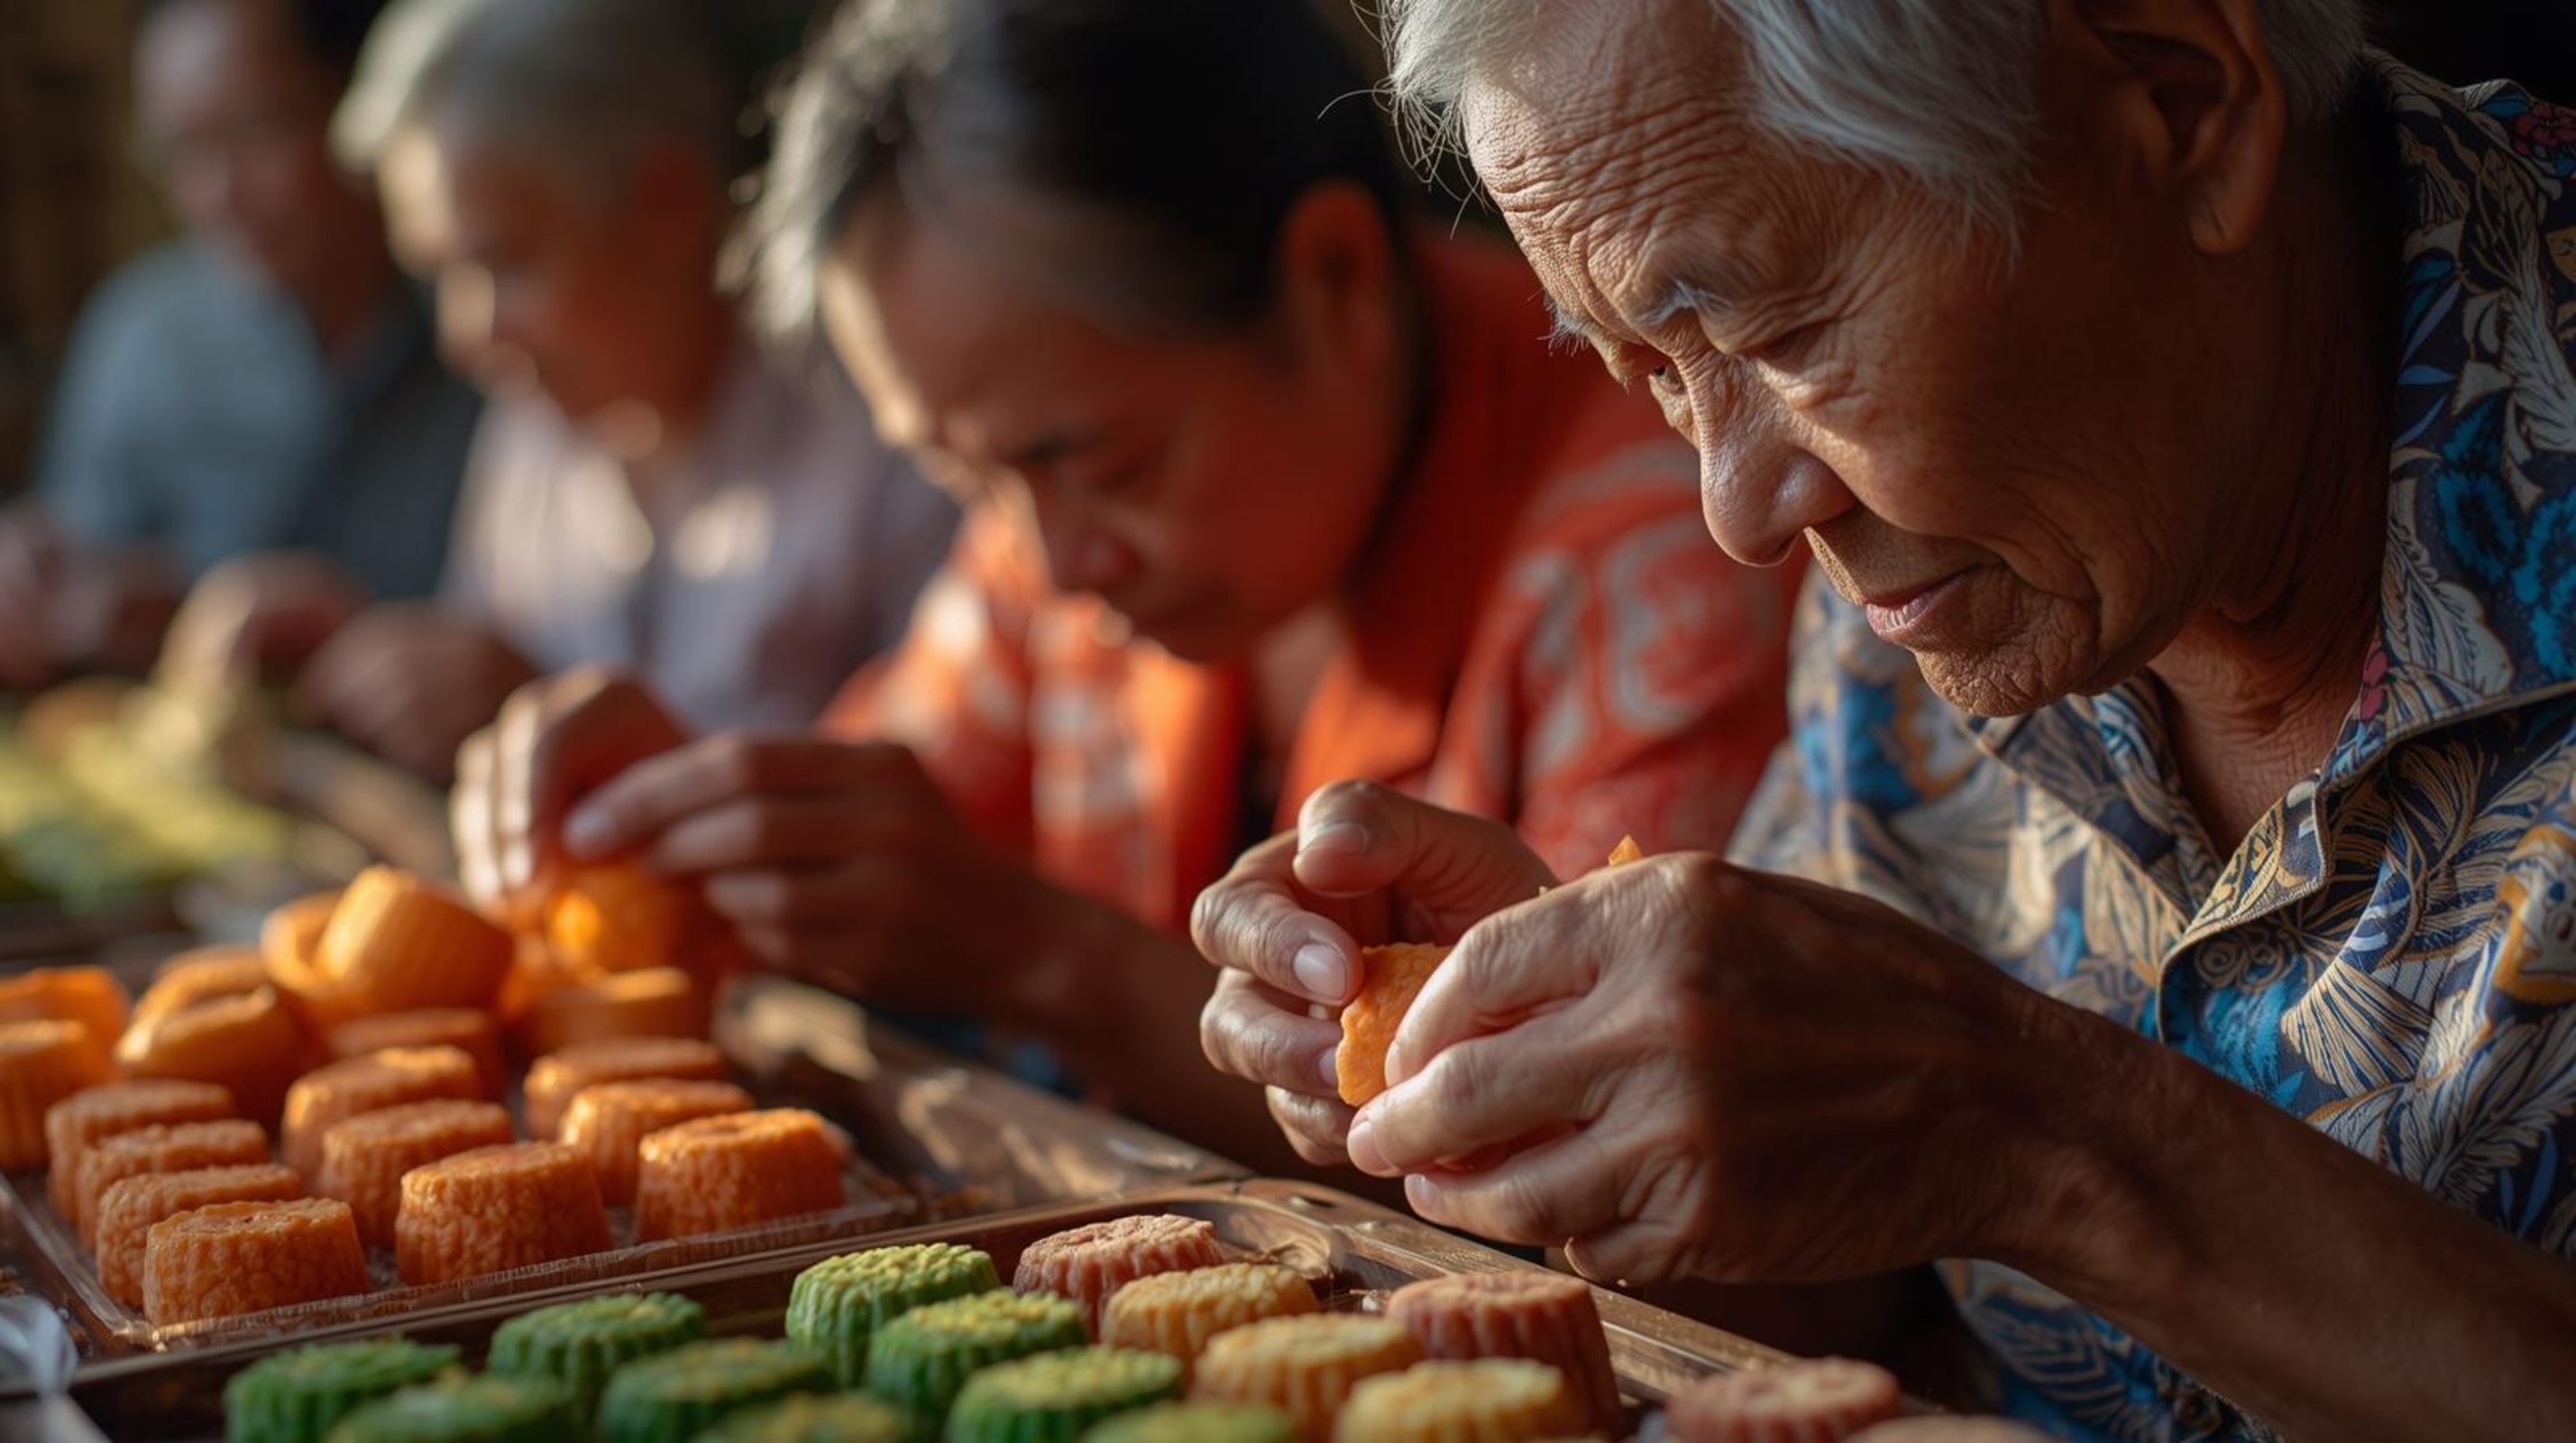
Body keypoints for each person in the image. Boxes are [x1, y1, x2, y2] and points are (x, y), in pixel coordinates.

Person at [1194, 0, 2576, 1437]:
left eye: (1780, 330)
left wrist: (2037, 1132)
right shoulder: (1927, 561)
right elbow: (1870, 1296)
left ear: (2179, 107)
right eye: (1660, 371)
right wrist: (1558, 1079)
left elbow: (1985, 1128)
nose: (1739, 514)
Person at [449, 0, 1801, 1166]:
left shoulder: (1670, 541)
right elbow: (891, 813)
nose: (1047, 565)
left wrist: (1044, 962)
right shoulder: (1058, 505)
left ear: (1334, 281)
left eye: (1107, 464)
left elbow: (1614, 1154)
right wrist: (685, 821)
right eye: (970, 485)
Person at [164, 0, 959, 780]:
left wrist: (543, 715)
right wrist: (357, 665)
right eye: (436, 277)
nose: (463, 334)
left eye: (501, 264)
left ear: (668, 197)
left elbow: (937, 811)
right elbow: (484, 677)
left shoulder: (895, 429)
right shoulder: (537, 423)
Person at [0, 0, 479, 692]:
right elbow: (73, 561)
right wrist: (40, 590)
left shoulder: (487, 332)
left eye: (257, 131)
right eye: (180, 151)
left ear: (363, 102)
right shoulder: (145, 334)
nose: (217, 193)